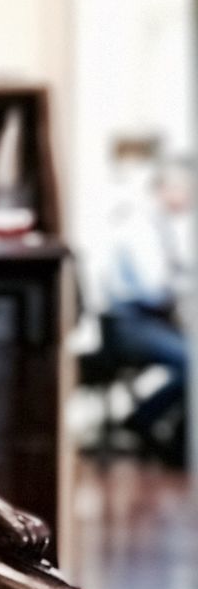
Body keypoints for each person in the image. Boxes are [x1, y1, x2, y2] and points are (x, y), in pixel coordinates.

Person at [98, 155, 192, 466]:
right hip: (127, 324)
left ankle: (165, 432)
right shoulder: (140, 225)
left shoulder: (159, 225)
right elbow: (152, 290)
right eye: (187, 189)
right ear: (166, 188)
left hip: (141, 321)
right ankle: (144, 421)